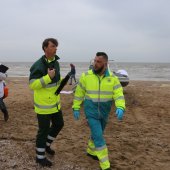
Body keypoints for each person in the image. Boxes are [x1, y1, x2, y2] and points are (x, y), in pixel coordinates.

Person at [72, 52, 126, 170]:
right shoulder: (86, 76)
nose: (95, 64)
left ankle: (91, 151)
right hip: (91, 112)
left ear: (105, 64)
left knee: (98, 133)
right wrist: (76, 107)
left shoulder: (113, 79)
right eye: (94, 61)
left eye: (98, 62)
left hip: (104, 112)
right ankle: (105, 165)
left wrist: (121, 107)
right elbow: (79, 93)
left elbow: (118, 94)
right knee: (99, 137)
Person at [29, 38, 64, 167]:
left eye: (56, 46)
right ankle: (40, 157)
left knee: (59, 124)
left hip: (55, 104)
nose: (56, 48)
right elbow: (32, 85)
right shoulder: (38, 65)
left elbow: (57, 81)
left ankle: (46, 145)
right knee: (43, 131)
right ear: (45, 48)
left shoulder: (56, 62)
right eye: (53, 46)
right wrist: (47, 78)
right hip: (43, 106)